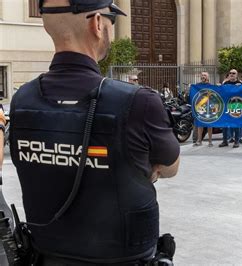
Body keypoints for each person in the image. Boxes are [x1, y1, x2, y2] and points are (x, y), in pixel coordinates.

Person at [8, 0, 180, 264]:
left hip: (47, 256)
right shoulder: (139, 102)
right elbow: (169, 167)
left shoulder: (23, 99)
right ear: (98, 24)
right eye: (112, 20)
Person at [219, 69, 242, 148]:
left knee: (236, 124)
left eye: (234, 73)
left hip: (236, 105)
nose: (232, 74)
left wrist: (239, 88)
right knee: (225, 124)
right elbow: (222, 93)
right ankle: (225, 141)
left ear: (237, 75)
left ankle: (236, 141)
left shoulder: (240, 84)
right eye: (230, 73)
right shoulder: (226, 83)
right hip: (226, 105)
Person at [194, 72, 214, 147]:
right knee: (200, 124)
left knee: (209, 125)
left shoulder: (211, 86)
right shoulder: (197, 85)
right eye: (202, 75)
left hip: (209, 106)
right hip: (200, 107)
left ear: (208, 77)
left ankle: (210, 141)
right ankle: (199, 140)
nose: (203, 76)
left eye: (205, 75)